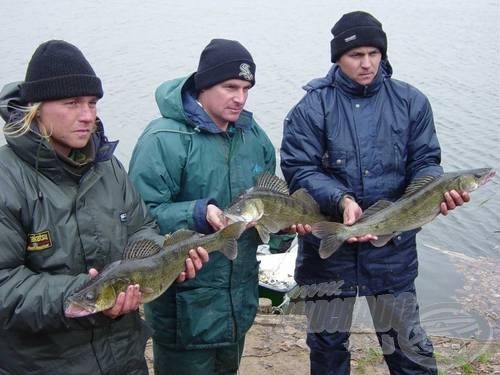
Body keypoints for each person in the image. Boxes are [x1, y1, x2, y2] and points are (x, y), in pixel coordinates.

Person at [0, 40, 208, 375]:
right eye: (72, 103)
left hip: (124, 359)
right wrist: (90, 296)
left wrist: (163, 264)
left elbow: (144, 228)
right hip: (43, 365)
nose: (88, 116)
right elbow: (4, 285)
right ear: (35, 108)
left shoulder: (108, 167)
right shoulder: (7, 179)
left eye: (92, 103)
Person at [280, 11, 470, 375]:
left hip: (392, 251)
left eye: (373, 53)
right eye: (356, 55)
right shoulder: (311, 107)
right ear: (338, 57)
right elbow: (299, 170)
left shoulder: (412, 102)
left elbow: (427, 162)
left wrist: (435, 191)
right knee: (327, 347)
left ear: (383, 54)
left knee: (407, 347)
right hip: (328, 250)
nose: (366, 64)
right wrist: (341, 199)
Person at [128, 38, 276, 374]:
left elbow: (270, 199)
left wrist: (282, 229)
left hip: (238, 304)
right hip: (184, 310)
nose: (240, 98)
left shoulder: (255, 138)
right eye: (230, 87)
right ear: (204, 84)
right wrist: (197, 213)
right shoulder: (162, 139)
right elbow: (138, 219)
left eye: (246, 88)